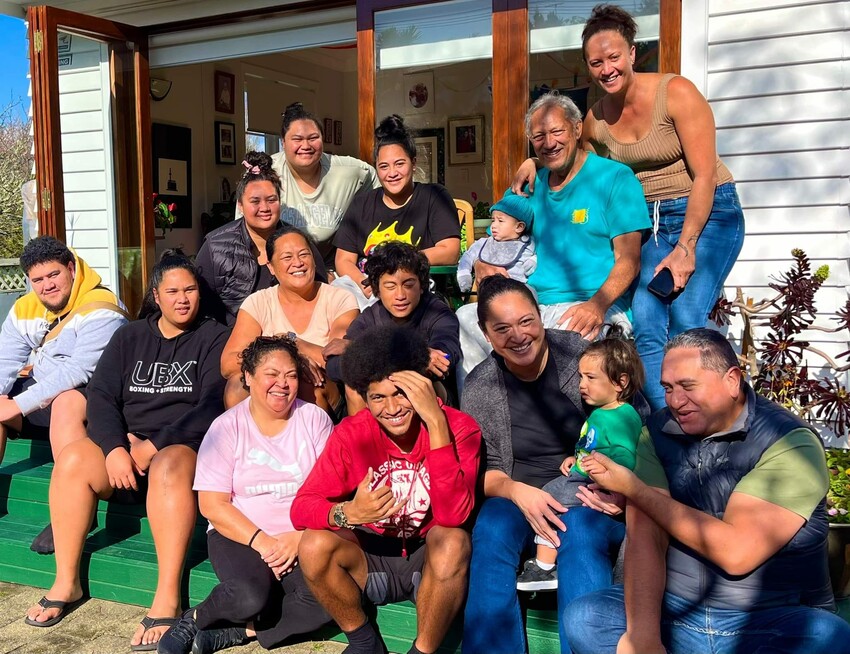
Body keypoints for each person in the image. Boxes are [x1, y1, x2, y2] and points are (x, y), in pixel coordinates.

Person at [565, 328, 850, 654]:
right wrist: (642, 635)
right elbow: (646, 535)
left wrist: (636, 490)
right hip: (675, 608)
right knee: (586, 616)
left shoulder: (790, 442)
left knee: (827, 636)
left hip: (769, 616)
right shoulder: (655, 433)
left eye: (688, 386)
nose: (675, 400)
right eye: (668, 388)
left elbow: (737, 553)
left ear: (732, 380)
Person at [517, 6, 745, 410]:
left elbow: (705, 177)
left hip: (708, 214)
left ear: (633, 53)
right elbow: (570, 154)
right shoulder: (596, 115)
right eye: (596, 62)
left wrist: (686, 248)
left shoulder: (676, 93)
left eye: (614, 56)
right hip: (650, 221)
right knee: (647, 321)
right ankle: (665, 423)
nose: (607, 68)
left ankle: (712, 415)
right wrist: (533, 161)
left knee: (688, 318)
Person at [23, 251, 228, 652]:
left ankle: (167, 596)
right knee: (74, 458)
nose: (182, 299)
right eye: (172, 291)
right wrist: (115, 448)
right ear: (156, 294)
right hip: (127, 456)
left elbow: (213, 402)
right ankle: (67, 581)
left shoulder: (214, 337)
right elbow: (101, 396)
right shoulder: (130, 336)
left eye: (190, 290)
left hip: (179, 453)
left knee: (171, 462)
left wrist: (155, 444)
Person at [461, 276, 635, 654]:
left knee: (582, 529)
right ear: (486, 334)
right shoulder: (480, 387)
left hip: (588, 495)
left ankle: (588, 646)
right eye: (502, 328)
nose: (518, 336)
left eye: (526, 321)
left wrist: (624, 491)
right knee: (491, 527)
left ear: (540, 317)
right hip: (518, 495)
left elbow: (634, 426)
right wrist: (517, 492)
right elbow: (483, 471)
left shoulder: (581, 358)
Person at [291, 326, 481, 654]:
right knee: (313, 545)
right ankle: (365, 641)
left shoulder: (460, 428)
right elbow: (301, 508)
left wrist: (436, 425)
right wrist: (347, 512)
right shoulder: (353, 432)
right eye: (378, 397)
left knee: (453, 539)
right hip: (372, 556)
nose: (391, 409)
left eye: (401, 394)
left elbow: (453, 515)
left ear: (421, 389)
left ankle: (422, 651)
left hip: (428, 557)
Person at [457, 93, 649, 389]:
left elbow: (630, 259)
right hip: (531, 305)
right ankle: (479, 419)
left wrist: (596, 305)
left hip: (590, 305)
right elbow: (498, 231)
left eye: (557, 131)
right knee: (467, 318)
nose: (549, 142)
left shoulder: (615, 179)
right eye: (538, 136)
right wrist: (481, 264)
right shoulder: (531, 186)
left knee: (563, 345)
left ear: (577, 129)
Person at [157, 336, 334, 654]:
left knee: (326, 602)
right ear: (249, 378)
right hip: (240, 533)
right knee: (248, 595)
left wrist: (299, 537)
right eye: (272, 374)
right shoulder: (227, 428)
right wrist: (265, 543)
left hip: (300, 536)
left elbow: (330, 492)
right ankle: (195, 618)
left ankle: (245, 632)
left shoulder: (315, 420)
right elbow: (212, 505)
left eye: (291, 375)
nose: (282, 384)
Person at [0, 236, 128, 553]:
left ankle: (69, 514)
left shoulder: (103, 310)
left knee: (67, 400)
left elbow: (78, 373)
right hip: (40, 397)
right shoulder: (25, 308)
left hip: (92, 405)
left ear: (71, 268)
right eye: (38, 280)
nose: (47, 286)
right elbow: (6, 360)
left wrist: (17, 404)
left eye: (54, 275)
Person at [516, 338, 643, 592]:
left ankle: (544, 566)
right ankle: (546, 561)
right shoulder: (600, 412)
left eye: (591, 378)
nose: (582, 385)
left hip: (595, 485)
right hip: (583, 476)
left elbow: (626, 455)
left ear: (621, 382)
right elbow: (593, 445)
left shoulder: (623, 416)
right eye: (581, 377)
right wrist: (576, 458)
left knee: (549, 497)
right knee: (548, 492)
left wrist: (606, 472)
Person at [221, 223, 358, 415]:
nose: (298, 263)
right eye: (287, 257)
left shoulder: (340, 299)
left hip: (324, 391)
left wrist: (293, 341)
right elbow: (228, 363)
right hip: (269, 395)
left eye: (304, 254)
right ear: (271, 267)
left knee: (302, 382)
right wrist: (288, 357)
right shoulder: (258, 302)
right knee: (237, 385)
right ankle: (249, 442)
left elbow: (338, 358)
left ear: (314, 259)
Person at [334, 114, 461, 307]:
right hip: (368, 290)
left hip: (415, 288)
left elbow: (449, 251)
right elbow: (343, 259)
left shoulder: (434, 196)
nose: (392, 173)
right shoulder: (362, 203)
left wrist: (399, 264)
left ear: (414, 163)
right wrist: (365, 284)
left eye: (400, 164)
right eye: (384, 166)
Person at [324, 241, 462, 413]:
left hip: (428, 403)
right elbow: (335, 366)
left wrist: (359, 350)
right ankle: (365, 439)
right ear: (377, 290)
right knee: (353, 387)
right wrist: (414, 356)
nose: (400, 295)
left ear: (422, 286)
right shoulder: (369, 318)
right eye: (390, 286)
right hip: (379, 405)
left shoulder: (437, 312)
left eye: (409, 285)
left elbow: (445, 356)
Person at [196, 151, 327, 327]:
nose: (264, 208)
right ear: (240, 205)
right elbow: (202, 307)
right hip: (232, 339)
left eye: (271, 200)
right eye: (255, 201)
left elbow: (321, 291)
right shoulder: (215, 246)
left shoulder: (299, 241)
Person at [270, 102, 380, 264]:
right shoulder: (268, 171)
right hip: (274, 271)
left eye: (313, 138)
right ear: (283, 143)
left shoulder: (349, 171)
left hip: (329, 271)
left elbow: (381, 192)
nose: (306, 146)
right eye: (297, 139)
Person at [456, 194, 537, 293]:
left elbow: (536, 255)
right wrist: (464, 275)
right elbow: (467, 257)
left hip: (517, 291)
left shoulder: (527, 244)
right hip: (489, 294)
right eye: (493, 220)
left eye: (500, 221)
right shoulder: (484, 243)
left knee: (530, 293)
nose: (493, 225)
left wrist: (533, 260)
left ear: (519, 227)